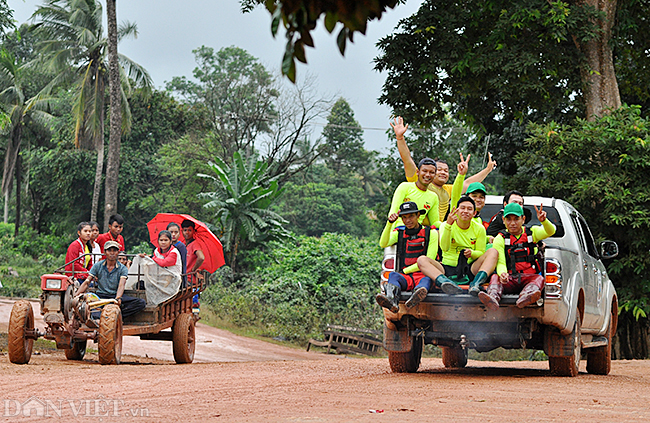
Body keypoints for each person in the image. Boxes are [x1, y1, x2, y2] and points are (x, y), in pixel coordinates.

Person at [391, 116, 497, 219]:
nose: (443, 172)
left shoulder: (448, 190)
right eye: (439, 170)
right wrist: (400, 138)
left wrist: (487, 170)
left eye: (446, 171)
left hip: (437, 231)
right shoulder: (421, 182)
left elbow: (467, 184)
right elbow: (407, 160)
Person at [376, 202, 452, 311]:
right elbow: (383, 243)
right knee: (393, 276)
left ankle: (415, 297)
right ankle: (392, 301)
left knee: (426, 280)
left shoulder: (431, 233)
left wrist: (405, 270)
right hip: (407, 278)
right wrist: (389, 223)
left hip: (423, 274)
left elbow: (429, 260)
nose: (408, 220)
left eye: (411, 216)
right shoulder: (399, 234)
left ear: (418, 215)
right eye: (404, 217)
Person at [479, 203, 556, 310]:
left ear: (523, 219)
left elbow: (551, 231)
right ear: (503, 220)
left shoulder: (532, 233)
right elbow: (500, 261)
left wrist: (544, 221)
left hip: (527, 279)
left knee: (539, 278)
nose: (512, 223)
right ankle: (492, 298)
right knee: (495, 277)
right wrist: (502, 274)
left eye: (516, 219)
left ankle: (526, 297)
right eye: (509, 219)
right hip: (510, 278)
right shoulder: (500, 238)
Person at [418, 196, 498, 296]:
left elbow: (480, 252)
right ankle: (446, 284)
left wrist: (472, 253)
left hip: (469, 268)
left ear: (474, 213)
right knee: (422, 260)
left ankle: (476, 284)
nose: (465, 211)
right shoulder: (445, 225)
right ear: (457, 210)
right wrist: (448, 225)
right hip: (446, 268)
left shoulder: (479, 228)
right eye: (462, 208)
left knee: (493, 252)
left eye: (469, 209)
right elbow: (444, 247)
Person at [75, 241, 146, 318]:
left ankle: (116, 316)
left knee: (141, 303)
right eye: (109, 250)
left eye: (114, 251)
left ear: (117, 252)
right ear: (105, 252)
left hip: (114, 296)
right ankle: (106, 316)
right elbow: (87, 282)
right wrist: (76, 296)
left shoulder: (122, 268)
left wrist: (117, 298)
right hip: (100, 296)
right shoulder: (98, 266)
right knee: (93, 314)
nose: (112, 253)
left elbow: (121, 285)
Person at [388, 157, 441, 229]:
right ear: (418, 172)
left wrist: (448, 224)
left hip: (418, 232)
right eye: (424, 171)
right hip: (399, 228)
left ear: (435, 175)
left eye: (431, 172)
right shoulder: (404, 187)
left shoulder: (433, 196)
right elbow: (393, 212)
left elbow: (435, 222)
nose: (428, 175)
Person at [182, 219, 205, 313]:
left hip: (189, 280)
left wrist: (193, 269)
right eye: (185, 230)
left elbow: (201, 257)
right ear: (182, 231)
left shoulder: (195, 244)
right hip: (183, 278)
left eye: (189, 230)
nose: (187, 232)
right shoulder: (184, 245)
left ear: (194, 231)